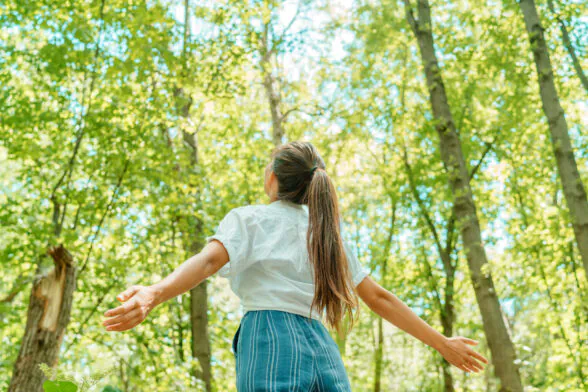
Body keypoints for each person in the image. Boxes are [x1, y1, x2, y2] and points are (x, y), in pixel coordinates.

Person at [102, 141, 488, 391]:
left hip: (269, 334)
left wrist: (154, 292)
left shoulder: (251, 218)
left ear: (273, 179)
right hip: (321, 345)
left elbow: (207, 263)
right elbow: (380, 298)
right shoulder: (329, 236)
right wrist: (442, 343)